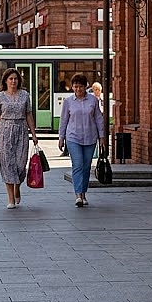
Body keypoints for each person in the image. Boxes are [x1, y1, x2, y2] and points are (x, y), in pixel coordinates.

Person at [0, 68, 39, 209]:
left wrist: (33, 134)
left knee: (20, 164)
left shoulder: (25, 95)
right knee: (7, 165)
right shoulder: (0, 97)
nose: (13, 81)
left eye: (15, 79)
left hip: (21, 130)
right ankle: (11, 198)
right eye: (10, 79)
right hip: (4, 132)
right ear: (5, 80)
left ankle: (18, 186)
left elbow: (29, 115)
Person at [59, 74, 107, 207]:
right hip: (73, 137)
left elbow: (98, 118)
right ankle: (78, 195)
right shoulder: (68, 101)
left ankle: (83, 193)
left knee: (86, 167)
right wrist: (61, 138)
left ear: (86, 86)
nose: (78, 89)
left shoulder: (93, 100)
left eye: (80, 86)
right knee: (78, 164)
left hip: (90, 137)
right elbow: (64, 120)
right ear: (72, 87)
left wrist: (102, 137)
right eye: (75, 87)